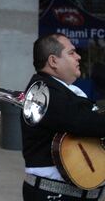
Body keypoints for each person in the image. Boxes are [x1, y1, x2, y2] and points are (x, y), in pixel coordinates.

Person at [21, 33, 105, 201]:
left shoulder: (59, 89)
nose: (79, 56)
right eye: (71, 52)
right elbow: (90, 123)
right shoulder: (45, 93)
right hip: (54, 194)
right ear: (53, 61)